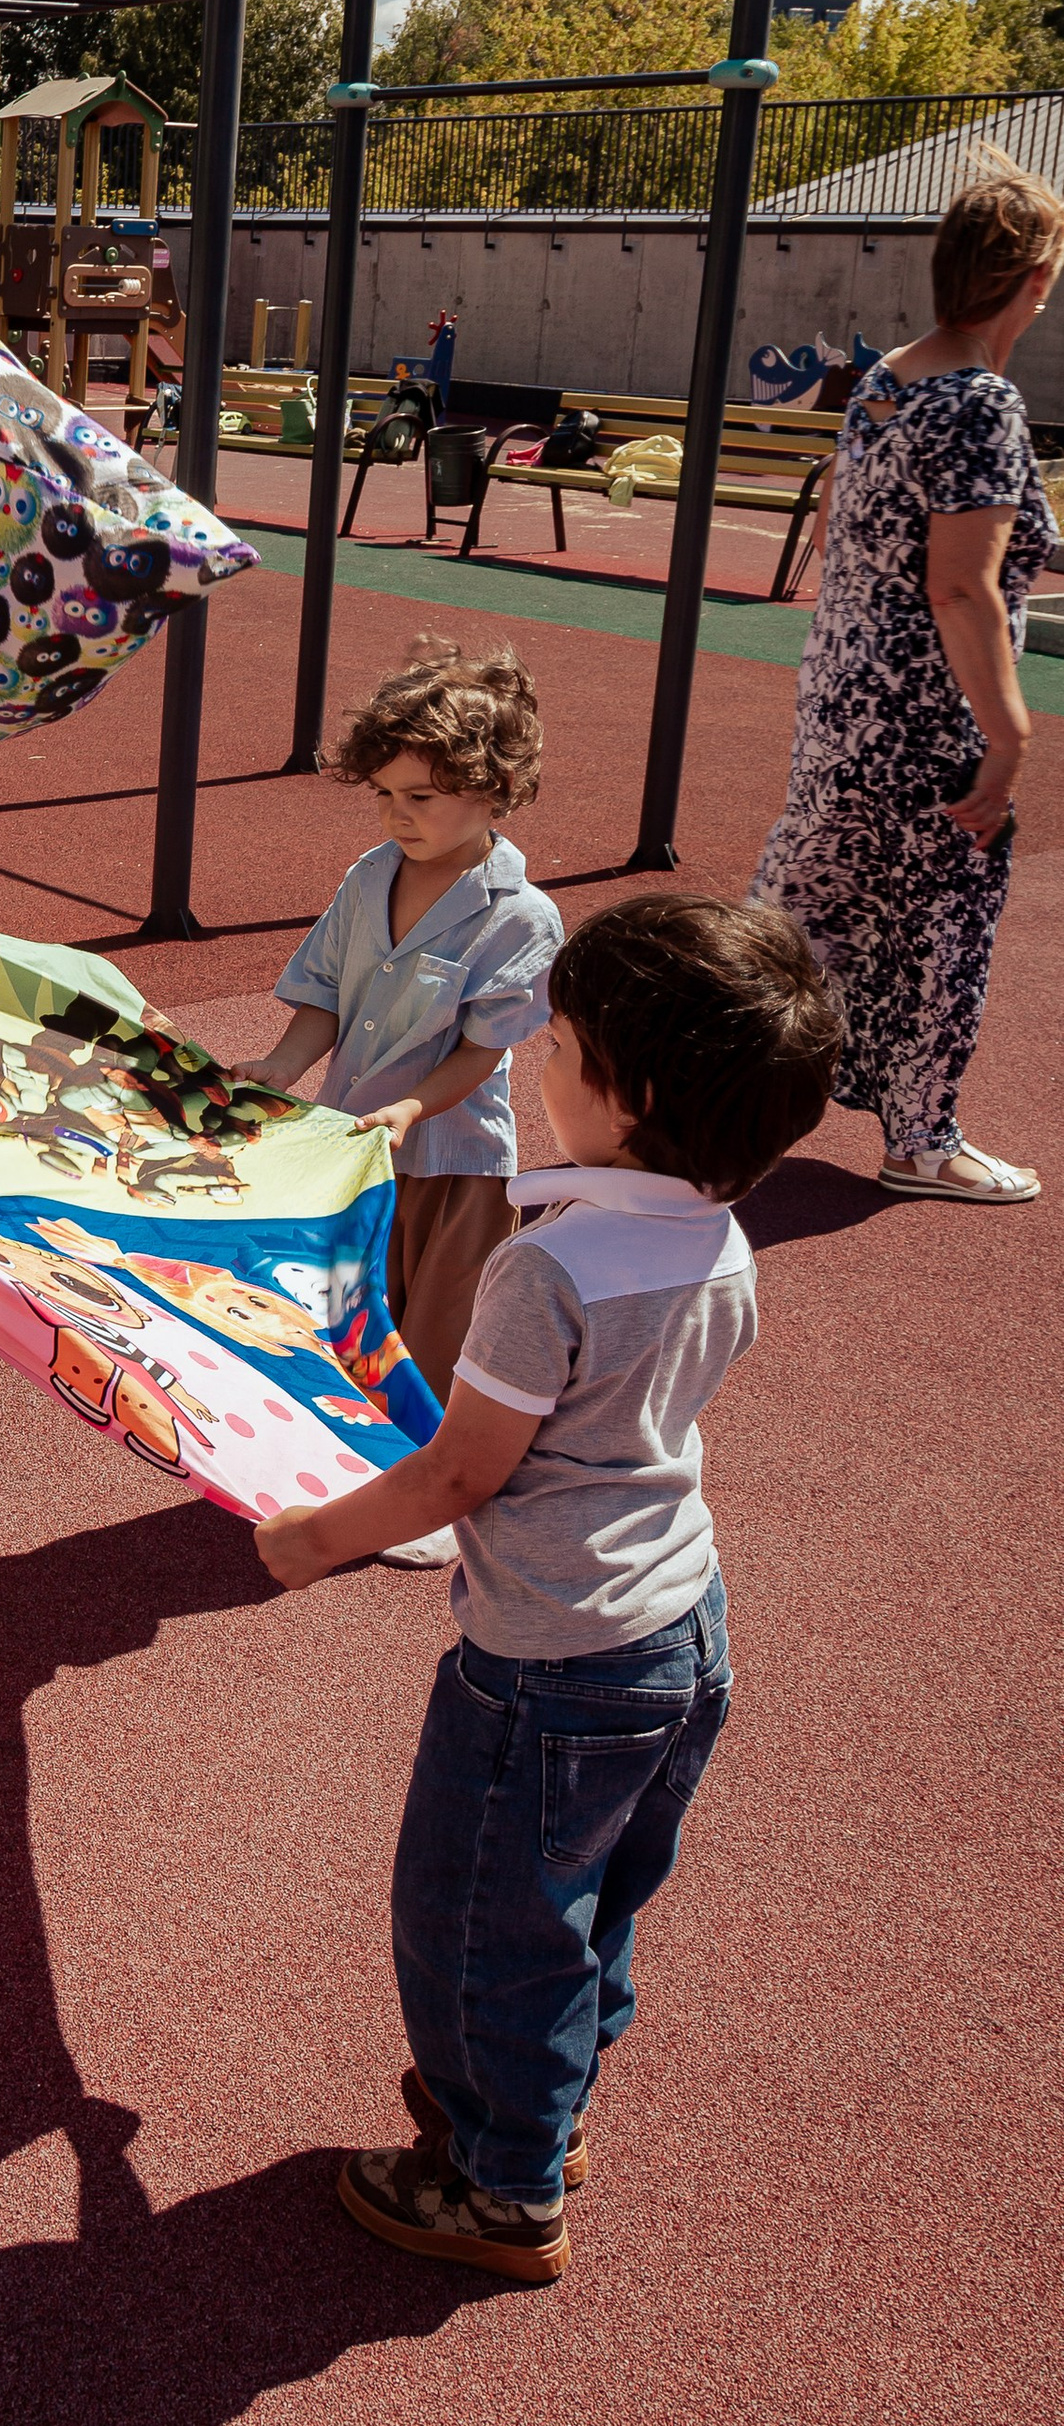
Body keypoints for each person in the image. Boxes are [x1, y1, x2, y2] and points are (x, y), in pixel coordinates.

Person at [255, 893, 839, 2284]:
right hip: (678, 1631)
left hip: (548, 1665)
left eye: (557, 1041)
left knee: (476, 1915)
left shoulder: (548, 1268)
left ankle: (502, 2182)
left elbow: (462, 1477)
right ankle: (543, 2103)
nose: (531, 1054)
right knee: (588, 1898)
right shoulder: (717, 1236)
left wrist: (313, 1537)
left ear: (628, 1099)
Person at [754, 144, 1058, 1203]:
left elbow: (858, 523)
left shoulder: (888, 381)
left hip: (845, 697)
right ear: (1034, 277)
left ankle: (709, 1090)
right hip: (925, 717)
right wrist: (1009, 732)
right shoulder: (982, 401)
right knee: (941, 921)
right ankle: (920, 1138)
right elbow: (962, 587)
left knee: (809, 907)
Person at [247, 641, 560, 1400]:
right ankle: (345, 1469)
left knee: (434, 1342)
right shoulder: (369, 876)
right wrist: (283, 1067)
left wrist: (412, 1108)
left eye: (421, 797)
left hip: (454, 1164)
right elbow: (324, 991)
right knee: (342, 1321)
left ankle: (430, 1489)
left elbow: (482, 1052)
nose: (397, 815)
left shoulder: (522, 918)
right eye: (385, 795)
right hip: (357, 1146)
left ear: (498, 790)